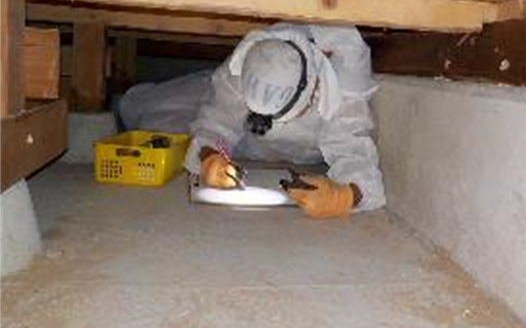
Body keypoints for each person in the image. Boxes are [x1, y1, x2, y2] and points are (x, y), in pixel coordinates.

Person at [120, 23, 386, 218]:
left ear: (314, 89)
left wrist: (345, 197)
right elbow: (216, 124)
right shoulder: (245, 64)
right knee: (148, 111)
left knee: (165, 127)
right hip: (246, 136)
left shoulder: (343, 80)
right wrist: (210, 156)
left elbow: (354, 152)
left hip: (305, 147)